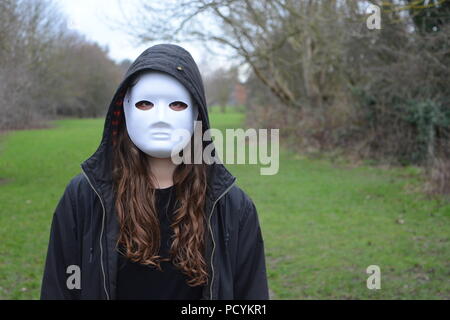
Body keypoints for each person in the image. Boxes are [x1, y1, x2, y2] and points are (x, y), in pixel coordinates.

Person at [40, 43, 269, 300]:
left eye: (177, 105)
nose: (160, 117)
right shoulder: (83, 198)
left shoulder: (232, 207)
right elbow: (60, 288)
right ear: (125, 108)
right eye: (145, 103)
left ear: (197, 113)